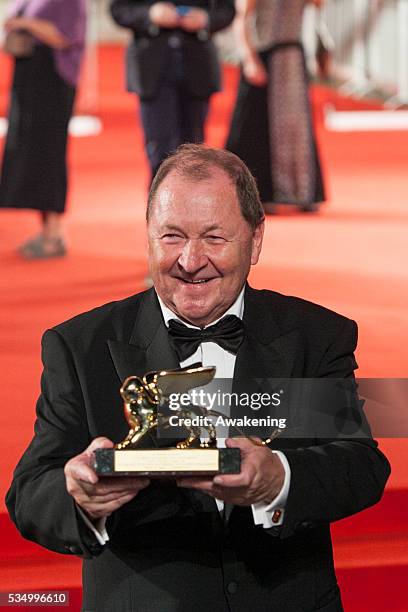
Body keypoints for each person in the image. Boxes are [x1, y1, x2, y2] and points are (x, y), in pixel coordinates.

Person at [6, 144, 390, 611]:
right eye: (171, 237)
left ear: (256, 238)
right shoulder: (79, 346)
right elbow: (28, 495)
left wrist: (279, 481)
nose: (190, 260)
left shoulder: (316, 335)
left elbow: (360, 465)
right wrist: (81, 497)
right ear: (147, 235)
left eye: (214, 237)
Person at [109, 0, 235, 180]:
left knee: (194, 150)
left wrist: (205, 19)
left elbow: (227, 11)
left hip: (197, 66)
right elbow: (118, 9)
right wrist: (150, 14)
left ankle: (192, 205)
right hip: (152, 67)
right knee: (159, 148)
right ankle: (159, 205)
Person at [0, 0, 87, 258]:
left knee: (49, 154)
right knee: (31, 155)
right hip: (29, 79)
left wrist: (25, 23)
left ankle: (55, 233)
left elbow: (65, 37)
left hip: (52, 82)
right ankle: (47, 229)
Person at [226, 0, 325, 213]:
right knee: (255, 126)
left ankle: (301, 191)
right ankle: (255, 193)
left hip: (292, 58)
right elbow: (241, 19)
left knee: (297, 126)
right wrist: (249, 59)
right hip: (263, 56)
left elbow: (318, 5)